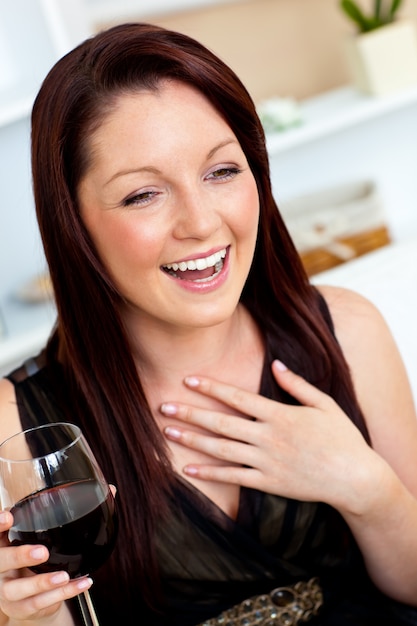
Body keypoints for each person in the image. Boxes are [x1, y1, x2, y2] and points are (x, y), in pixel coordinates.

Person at [0, 21, 416, 626]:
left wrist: (366, 486)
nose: (201, 223)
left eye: (222, 172)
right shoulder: (17, 426)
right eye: (143, 194)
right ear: (73, 224)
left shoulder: (348, 329)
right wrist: (26, 616)